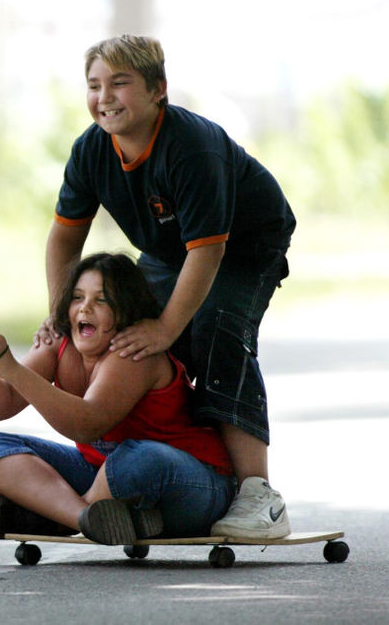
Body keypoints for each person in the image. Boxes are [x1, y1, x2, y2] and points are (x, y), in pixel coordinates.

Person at [38, 35, 296, 539]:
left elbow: (209, 251)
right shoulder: (92, 149)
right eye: (94, 85)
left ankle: (258, 495)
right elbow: (64, 239)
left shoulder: (191, 146)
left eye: (120, 83)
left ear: (158, 90)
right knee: (134, 333)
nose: (104, 96)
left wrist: (167, 325)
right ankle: (164, 471)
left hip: (244, 245)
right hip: (168, 249)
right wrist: (60, 313)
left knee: (216, 332)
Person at [0, 253, 236, 544]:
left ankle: (57, 515)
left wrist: (11, 369)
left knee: (140, 456)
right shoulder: (59, 342)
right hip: (105, 475)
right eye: (77, 297)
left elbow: (86, 425)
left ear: (125, 310)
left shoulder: (134, 351)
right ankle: (87, 518)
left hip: (192, 484)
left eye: (102, 300)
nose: (85, 308)